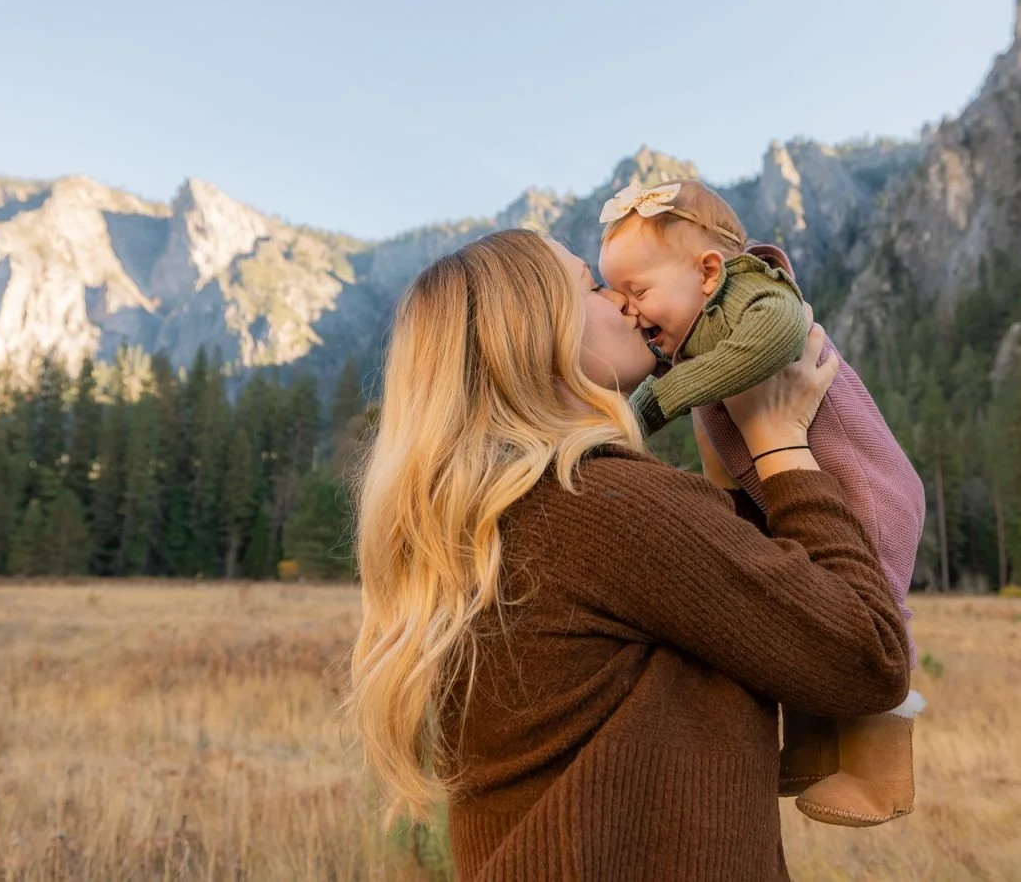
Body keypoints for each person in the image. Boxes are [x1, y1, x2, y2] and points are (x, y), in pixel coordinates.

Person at [347, 228, 910, 880]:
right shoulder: (600, 505)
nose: (622, 302)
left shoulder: (487, 526)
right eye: (592, 287)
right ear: (536, 334)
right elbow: (869, 657)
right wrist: (779, 443)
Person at [596, 179, 925, 826]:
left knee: (873, 611)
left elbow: (778, 339)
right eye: (616, 295)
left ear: (710, 271)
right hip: (799, 495)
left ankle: (879, 773)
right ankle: (809, 749)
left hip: (863, 492)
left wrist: (655, 404)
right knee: (809, 604)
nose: (629, 310)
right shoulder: (690, 331)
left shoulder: (755, 295)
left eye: (638, 291)